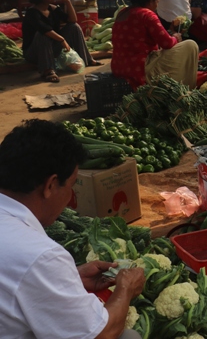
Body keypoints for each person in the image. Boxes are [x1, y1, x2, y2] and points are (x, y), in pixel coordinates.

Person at [0, 119, 146, 339]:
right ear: (50, 186)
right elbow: (100, 335)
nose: (70, 199)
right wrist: (126, 289)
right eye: (71, 185)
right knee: (128, 337)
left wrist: (71, 277)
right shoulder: (41, 255)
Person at [111, 0, 198, 90]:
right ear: (151, 0)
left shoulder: (122, 12)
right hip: (140, 68)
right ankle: (187, 88)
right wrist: (176, 37)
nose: (157, 6)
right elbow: (167, 43)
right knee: (191, 45)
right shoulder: (147, 14)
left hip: (118, 66)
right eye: (157, 1)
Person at [23, 0, 99, 83]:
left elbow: (73, 20)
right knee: (43, 35)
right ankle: (48, 70)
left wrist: (67, 2)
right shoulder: (32, 13)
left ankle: (87, 59)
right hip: (34, 53)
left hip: (51, 49)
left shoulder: (53, 9)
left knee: (74, 27)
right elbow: (45, 30)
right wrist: (62, 40)